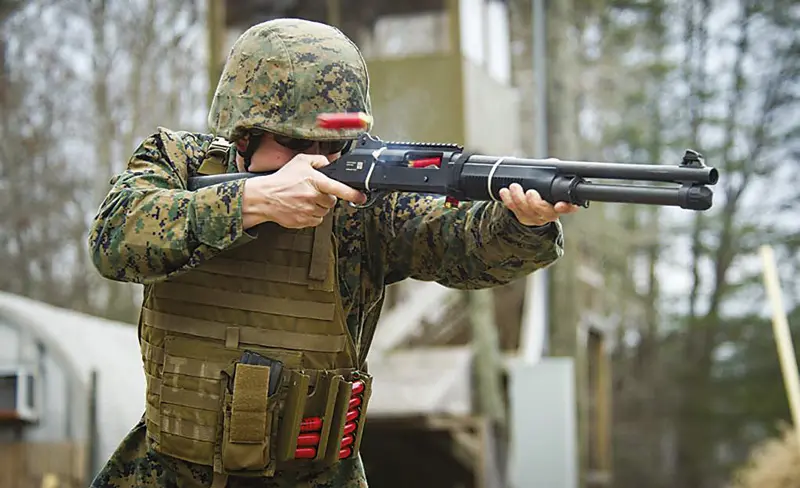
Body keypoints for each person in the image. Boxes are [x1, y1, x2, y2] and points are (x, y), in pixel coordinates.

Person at [86, 17, 579, 488]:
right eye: (295, 142)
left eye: (334, 144)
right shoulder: (178, 161)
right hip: (169, 471)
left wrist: (521, 222)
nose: (318, 161)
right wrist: (252, 202)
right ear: (243, 131)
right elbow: (115, 239)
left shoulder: (363, 202)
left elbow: (460, 243)